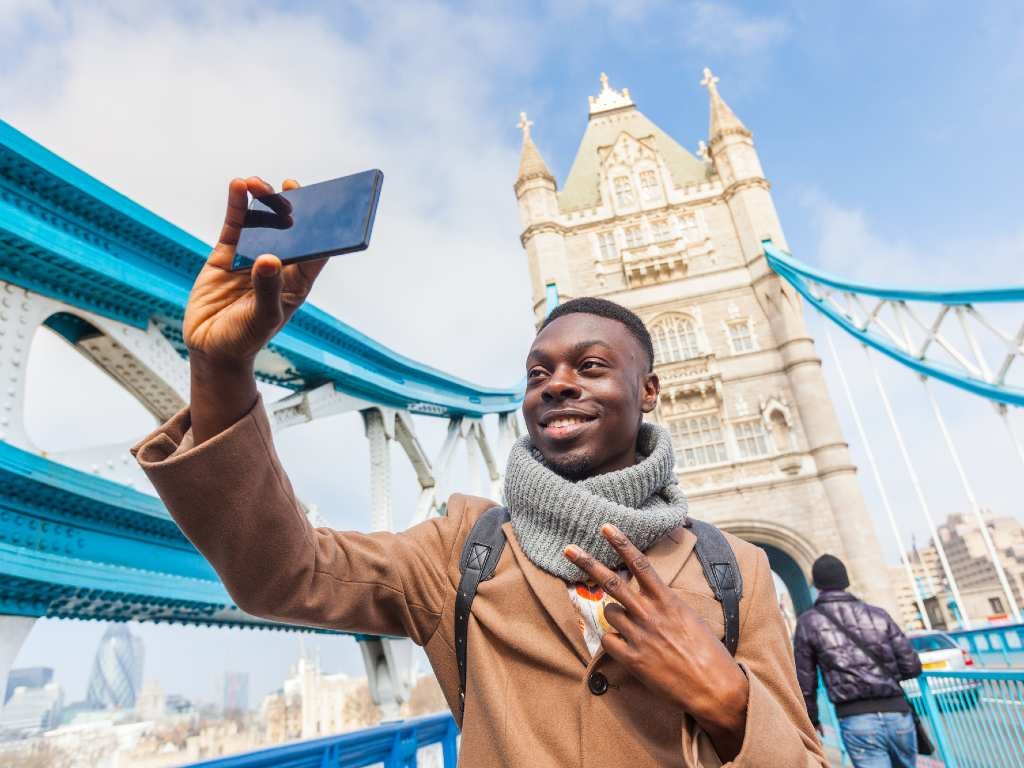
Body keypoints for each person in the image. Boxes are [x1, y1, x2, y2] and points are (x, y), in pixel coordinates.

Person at [130, 177, 826, 767]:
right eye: (536, 373)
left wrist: (732, 705)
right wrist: (219, 371)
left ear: (649, 392)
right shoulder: (460, 552)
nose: (555, 384)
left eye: (589, 367)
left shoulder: (733, 569)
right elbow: (285, 575)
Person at [794, 554, 923, 768]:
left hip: (856, 718)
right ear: (846, 581)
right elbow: (912, 666)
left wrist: (812, 720)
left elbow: (805, 681)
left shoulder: (809, 622)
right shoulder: (878, 615)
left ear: (816, 585)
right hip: (898, 713)